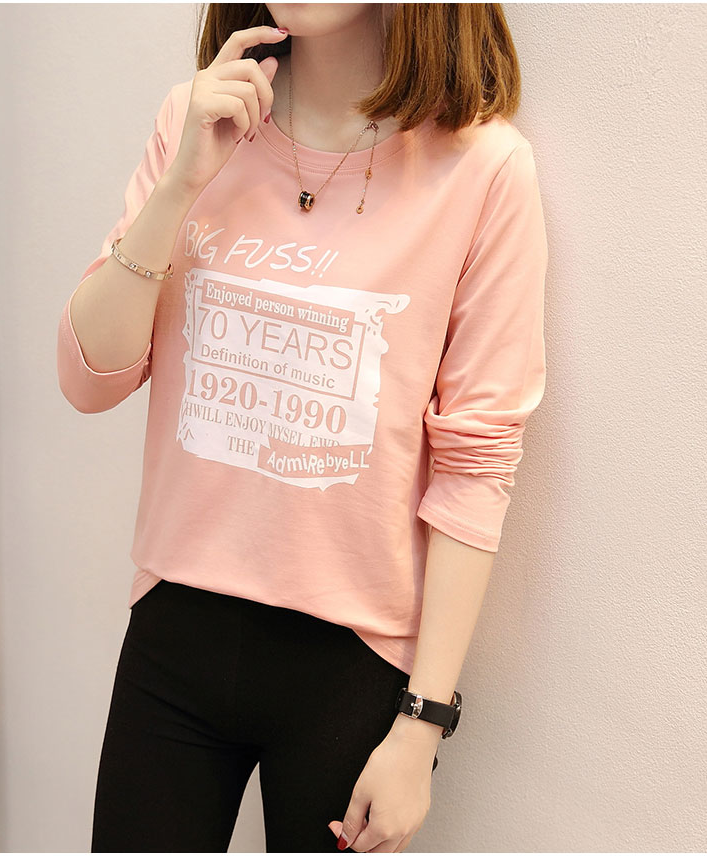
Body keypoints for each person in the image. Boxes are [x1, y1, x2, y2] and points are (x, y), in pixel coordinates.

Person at [56, 3, 548, 854]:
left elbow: (477, 460)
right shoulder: (197, 120)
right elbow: (88, 380)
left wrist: (422, 722)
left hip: (354, 666)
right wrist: (180, 186)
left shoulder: (483, 168)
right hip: (176, 629)